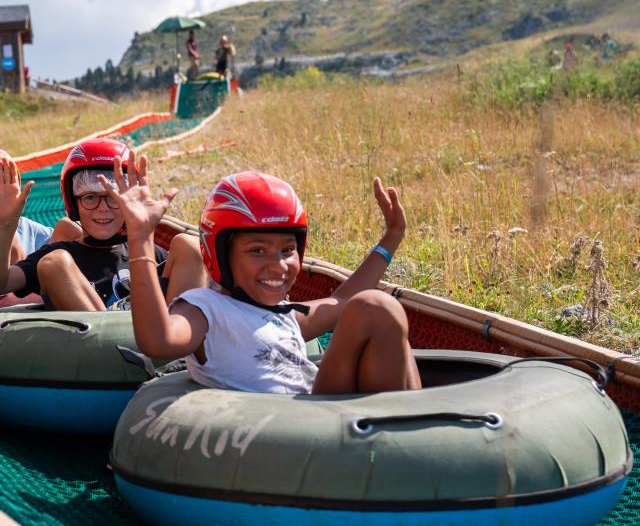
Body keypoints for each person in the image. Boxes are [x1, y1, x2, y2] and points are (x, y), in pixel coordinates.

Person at [103, 168, 421, 394]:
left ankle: (413, 439)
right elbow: (159, 341)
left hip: (326, 420)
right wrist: (141, 239)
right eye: (257, 250)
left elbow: (341, 300)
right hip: (303, 436)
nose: (278, 264)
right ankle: (401, 445)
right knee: (376, 305)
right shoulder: (205, 309)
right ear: (219, 254)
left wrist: (390, 240)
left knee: (385, 317)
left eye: (287, 250)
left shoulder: (285, 315)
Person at [0, 137, 206, 311]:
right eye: (90, 197)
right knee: (54, 263)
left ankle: (183, 351)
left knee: (189, 245)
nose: (102, 208)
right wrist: (6, 224)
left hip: (160, 345)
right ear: (74, 204)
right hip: (97, 354)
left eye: (112, 198)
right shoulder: (60, 255)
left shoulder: (149, 252)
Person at [0, 148, 81, 264]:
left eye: (7, 177)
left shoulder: (27, 229)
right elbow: (11, 279)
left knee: (69, 227)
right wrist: (7, 225)